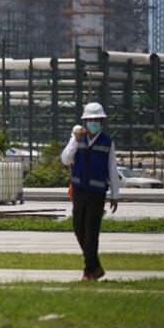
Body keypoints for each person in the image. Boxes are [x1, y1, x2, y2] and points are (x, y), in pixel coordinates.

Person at [60, 102, 120, 281]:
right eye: (90, 120)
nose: (93, 122)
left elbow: (112, 169)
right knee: (79, 229)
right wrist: (74, 139)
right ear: (85, 122)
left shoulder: (107, 142)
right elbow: (65, 159)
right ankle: (96, 267)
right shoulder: (78, 140)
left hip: (97, 192)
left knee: (91, 231)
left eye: (96, 120)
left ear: (102, 122)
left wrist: (115, 196)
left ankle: (88, 270)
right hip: (79, 190)